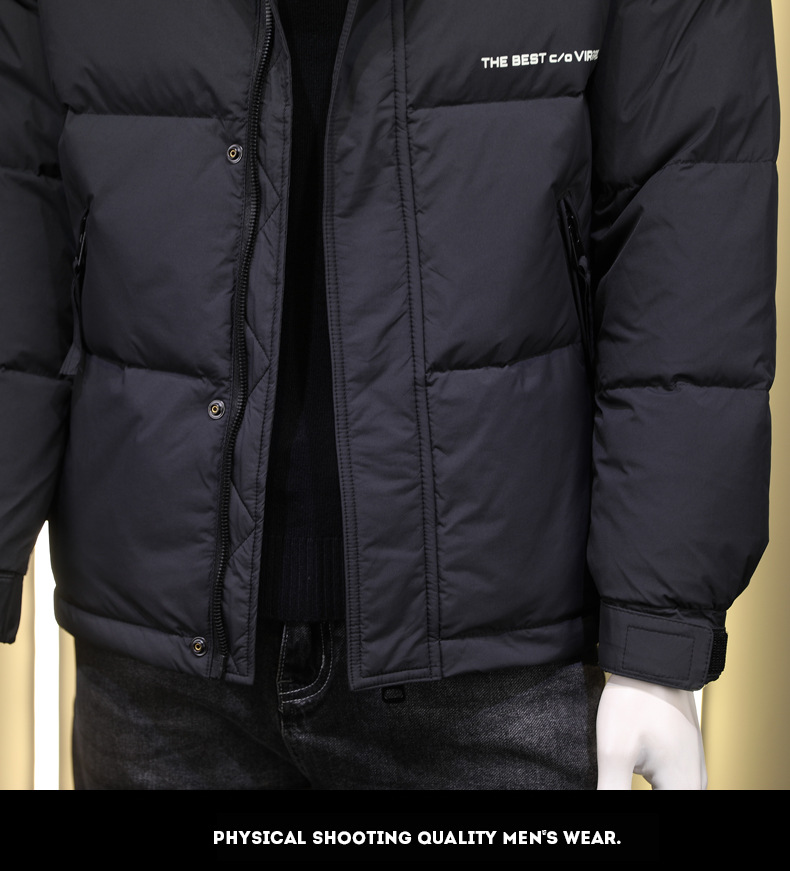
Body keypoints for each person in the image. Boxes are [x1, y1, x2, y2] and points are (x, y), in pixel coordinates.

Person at [0, 0, 778, 790]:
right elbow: (17, 211)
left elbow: (687, 212)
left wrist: (657, 632)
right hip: (160, 661)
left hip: (501, 662)